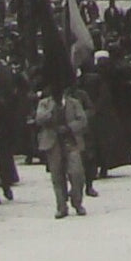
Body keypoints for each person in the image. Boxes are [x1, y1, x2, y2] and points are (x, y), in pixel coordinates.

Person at [34, 84, 87, 219]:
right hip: (53, 143)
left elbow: (82, 120)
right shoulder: (44, 103)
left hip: (71, 142)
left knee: (77, 174)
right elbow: (39, 119)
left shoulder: (74, 103)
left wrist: (69, 128)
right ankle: (61, 206)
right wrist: (51, 110)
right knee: (57, 176)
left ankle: (77, 201)